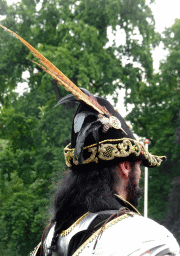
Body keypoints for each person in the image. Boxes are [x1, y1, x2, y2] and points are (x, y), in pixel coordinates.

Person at [31, 92, 180, 256]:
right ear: (125, 166)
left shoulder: (52, 236)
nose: (140, 176)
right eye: (137, 165)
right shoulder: (146, 238)